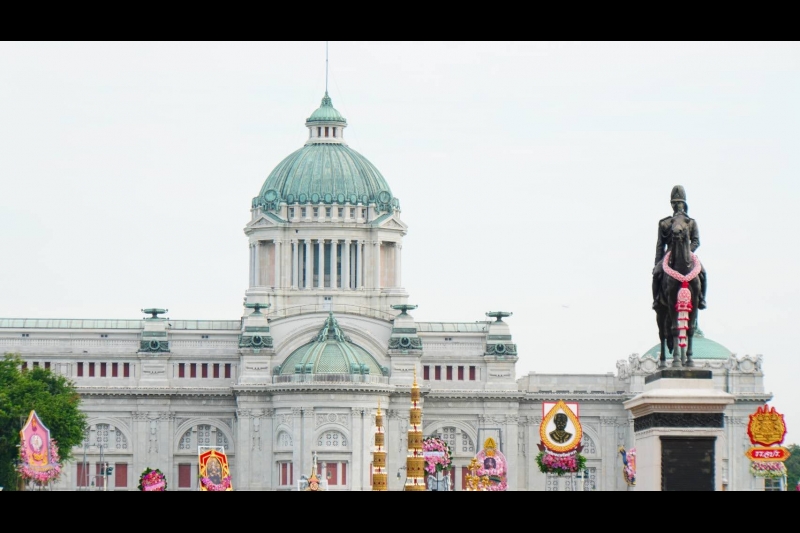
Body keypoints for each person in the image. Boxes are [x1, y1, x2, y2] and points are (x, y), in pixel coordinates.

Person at [652, 185, 707, 310]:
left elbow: (696, 241)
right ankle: (656, 300)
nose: (677, 206)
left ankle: (702, 299)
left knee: (703, 273)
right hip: (668, 255)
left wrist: (687, 252)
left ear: (684, 204)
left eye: (680, 203)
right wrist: (657, 263)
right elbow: (660, 246)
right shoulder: (664, 223)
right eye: (675, 203)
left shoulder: (691, 222)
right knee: (656, 274)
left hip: (688, 253)